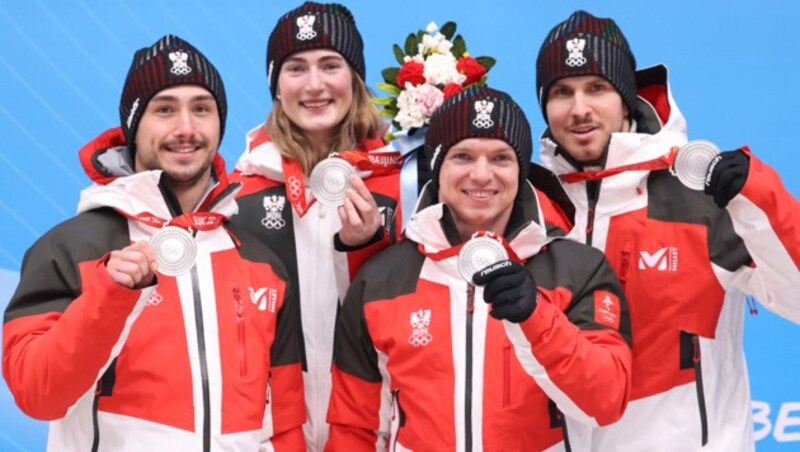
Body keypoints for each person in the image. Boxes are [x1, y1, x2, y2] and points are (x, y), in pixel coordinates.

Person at [2, 35, 305, 451]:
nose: (186, 128)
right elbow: (38, 395)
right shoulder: (70, 248)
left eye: (201, 109)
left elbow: (284, 422)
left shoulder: (261, 262)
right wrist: (109, 296)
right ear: (133, 125)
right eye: (164, 110)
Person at [534, 10, 800, 450]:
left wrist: (761, 197)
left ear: (625, 95)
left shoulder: (699, 197)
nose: (579, 109)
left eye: (596, 88)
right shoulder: (533, 210)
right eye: (562, 92)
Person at [325, 86, 633, 451]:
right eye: (463, 156)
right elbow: (353, 427)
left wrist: (537, 318)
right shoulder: (381, 280)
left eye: (501, 158)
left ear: (521, 171)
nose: (482, 175)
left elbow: (607, 401)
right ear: (438, 169)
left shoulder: (577, 268)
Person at [228, 3, 405, 450]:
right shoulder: (238, 193)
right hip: (271, 432)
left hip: (379, 424)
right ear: (275, 83)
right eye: (295, 68)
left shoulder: (402, 181)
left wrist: (363, 246)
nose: (314, 85)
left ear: (355, 78)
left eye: (330, 65)